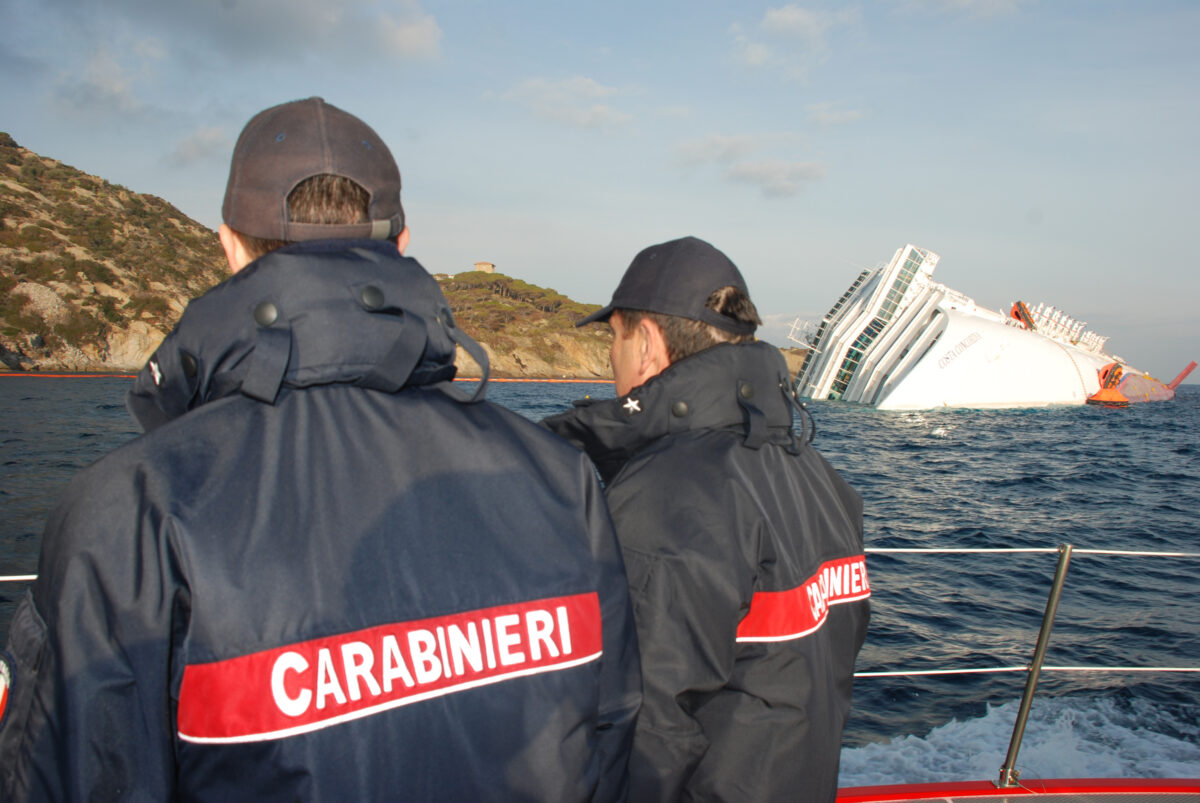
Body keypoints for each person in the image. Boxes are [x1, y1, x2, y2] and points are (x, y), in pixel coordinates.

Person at [0, 97, 640, 801]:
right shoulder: (562, 477)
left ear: (230, 247)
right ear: (400, 244)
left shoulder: (131, 512)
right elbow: (610, 733)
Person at [543, 236, 870, 802]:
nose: (610, 361)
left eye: (614, 339)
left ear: (645, 343)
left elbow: (646, 730)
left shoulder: (669, 490)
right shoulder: (816, 476)